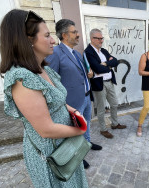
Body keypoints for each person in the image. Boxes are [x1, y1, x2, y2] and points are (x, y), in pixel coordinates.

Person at [0, 9, 88, 187]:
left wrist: (73, 111)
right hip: (50, 154)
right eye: (47, 35)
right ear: (28, 40)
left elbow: (56, 100)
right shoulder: (22, 78)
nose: (53, 40)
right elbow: (46, 129)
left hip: (64, 145)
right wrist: (80, 131)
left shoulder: (44, 70)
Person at [46, 19, 102, 169]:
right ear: (64, 35)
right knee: (75, 130)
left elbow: (78, 73)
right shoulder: (56, 53)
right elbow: (50, 82)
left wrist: (87, 75)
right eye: (74, 32)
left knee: (86, 125)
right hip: (71, 102)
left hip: (85, 97)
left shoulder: (76, 53)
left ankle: (87, 144)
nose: (78, 34)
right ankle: (78, 155)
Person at [84, 28, 126, 139]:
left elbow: (116, 61)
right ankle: (103, 129)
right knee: (101, 108)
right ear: (92, 39)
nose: (101, 41)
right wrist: (108, 65)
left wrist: (106, 63)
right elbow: (97, 69)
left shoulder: (103, 51)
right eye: (99, 38)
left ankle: (115, 124)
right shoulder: (88, 52)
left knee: (114, 103)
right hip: (99, 84)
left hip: (109, 82)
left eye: (102, 38)